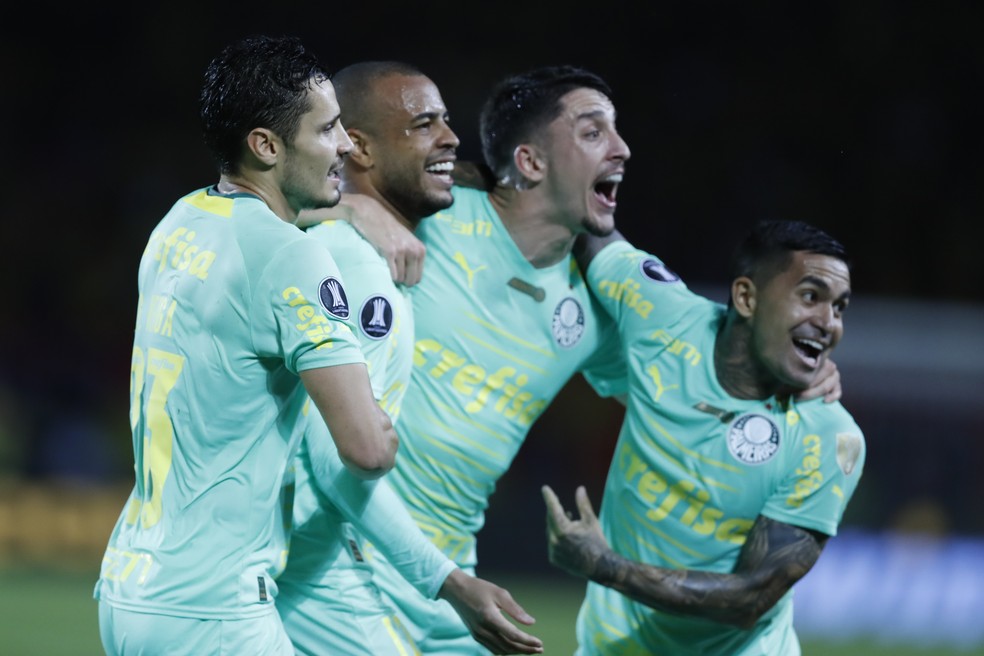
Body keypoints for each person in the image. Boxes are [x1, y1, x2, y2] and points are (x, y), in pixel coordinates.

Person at [316, 65, 842, 655]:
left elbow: (695, 374)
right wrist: (350, 209)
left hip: (448, 582)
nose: (622, 149)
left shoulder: (596, 310)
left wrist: (792, 365)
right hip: (344, 554)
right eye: (593, 133)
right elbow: (257, 210)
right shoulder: (430, 213)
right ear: (532, 162)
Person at [92, 35, 401, 655]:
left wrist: (355, 213)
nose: (346, 145)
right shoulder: (295, 260)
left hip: (131, 587)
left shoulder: (179, 222)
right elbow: (366, 449)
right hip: (214, 611)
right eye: (329, 129)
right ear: (266, 145)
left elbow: (264, 237)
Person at [276, 61, 543, 656]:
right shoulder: (363, 272)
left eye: (447, 120)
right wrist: (449, 582)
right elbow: (338, 460)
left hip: (278, 569)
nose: (450, 136)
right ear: (360, 148)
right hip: (306, 576)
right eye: (424, 124)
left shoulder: (315, 243)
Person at [542, 220, 866, 655]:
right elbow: (579, 218)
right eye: (811, 297)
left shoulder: (827, 437)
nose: (829, 323)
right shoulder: (662, 315)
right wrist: (424, 209)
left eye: (840, 307)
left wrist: (605, 565)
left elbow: (749, 598)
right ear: (746, 297)